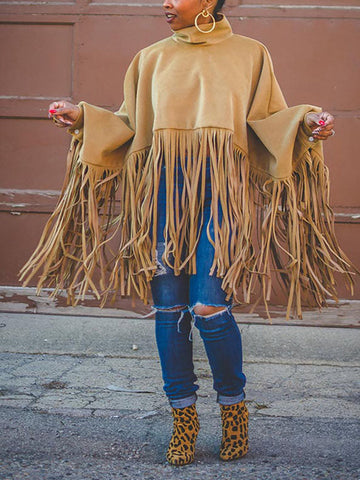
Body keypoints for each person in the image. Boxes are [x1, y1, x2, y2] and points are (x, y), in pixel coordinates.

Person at [20, 0, 355, 467]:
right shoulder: (150, 57)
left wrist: (307, 124)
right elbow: (127, 126)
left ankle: (234, 410)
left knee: (209, 306)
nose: (167, 2)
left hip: (222, 198)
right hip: (160, 197)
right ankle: (183, 419)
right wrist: (83, 120)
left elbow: (269, 120)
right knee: (170, 310)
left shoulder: (250, 54)